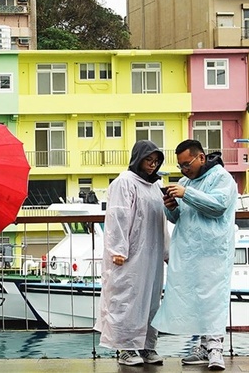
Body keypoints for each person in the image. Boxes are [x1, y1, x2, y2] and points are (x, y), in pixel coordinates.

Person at [152, 139, 237, 371]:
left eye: (187, 164)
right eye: (180, 166)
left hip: (213, 250)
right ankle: (202, 345)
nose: (184, 170)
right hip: (189, 251)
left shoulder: (221, 178)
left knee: (213, 298)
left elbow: (218, 206)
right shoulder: (184, 182)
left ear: (201, 157)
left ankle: (215, 348)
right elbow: (178, 217)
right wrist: (170, 205)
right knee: (196, 299)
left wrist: (186, 193)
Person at [94, 140, 169, 366]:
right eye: (149, 160)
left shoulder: (156, 185)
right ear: (138, 158)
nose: (152, 165)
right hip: (130, 255)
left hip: (152, 254)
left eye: (156, 161)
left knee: (151, 300)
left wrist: (166, 250)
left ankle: (147, 346)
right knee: (127, 298)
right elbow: (118, 216)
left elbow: (161, 219)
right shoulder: (124, 182)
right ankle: (126, 348)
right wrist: (118, 249)